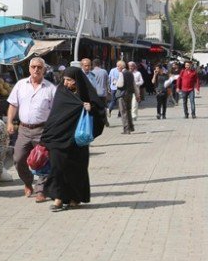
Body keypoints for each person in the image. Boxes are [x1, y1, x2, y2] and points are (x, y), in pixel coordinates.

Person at [42, 66, 105, 212]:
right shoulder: (61, 92)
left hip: (77, 140)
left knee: (76, 169)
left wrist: (91, 109)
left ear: (77, 81)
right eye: (64, 79)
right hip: (58, 137)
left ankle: (74, 198)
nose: (66, 83)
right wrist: (46, 136)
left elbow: (100, 110)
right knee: (57, 168)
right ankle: (58, 199)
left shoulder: (86, 94)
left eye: (69, 80)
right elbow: (55, 115)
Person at [8, 57, 57, 201]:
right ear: (29, 69)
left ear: (44, 70)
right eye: (33, 67)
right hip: (23, 129)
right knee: (18, 158)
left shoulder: (50, 88)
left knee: (43, 160)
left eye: (39, 67)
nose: (36, 69)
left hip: (43, 129)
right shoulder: (20, 85)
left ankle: (41, 189)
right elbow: (13, 105)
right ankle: (28, 182)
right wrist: (9, 122)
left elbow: (56, 110)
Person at [116, 66, 136, 134]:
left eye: (118, 66)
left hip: (123, 95)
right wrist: (137, 94)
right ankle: (131, 127)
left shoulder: (122, 73)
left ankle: (126, 129)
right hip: (130, 94)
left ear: (121, 66)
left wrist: (115, 82)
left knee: (123, 112)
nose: (117, 68)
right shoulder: (130, 73)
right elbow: (134, 84)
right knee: (128, 110)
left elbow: (120, 85)